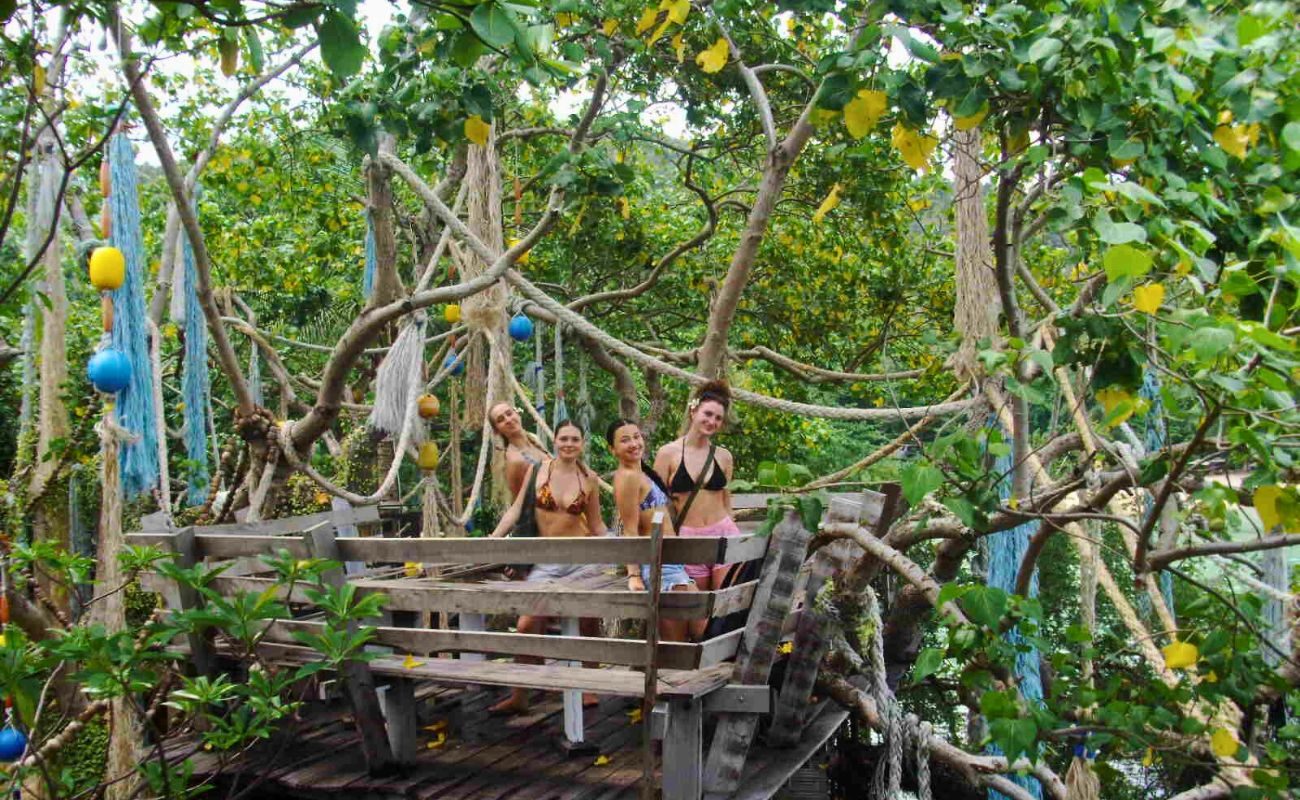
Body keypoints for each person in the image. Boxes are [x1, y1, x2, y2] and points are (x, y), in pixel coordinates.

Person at [488, 419, 607, 713]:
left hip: (582, 558)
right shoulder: (538, 470)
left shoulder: (589, 478)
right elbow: (516, 509)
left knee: (588, 620)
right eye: (563, 438)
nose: (569, 444)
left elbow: (596, 525)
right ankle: (520, 694)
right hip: (547, 561)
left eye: (575, 439)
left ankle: (589, 685)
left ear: (582, 444)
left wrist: (625, 550)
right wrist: (492, 540)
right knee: (527, 624)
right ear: (554, 441)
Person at [606, 418, 697, 643]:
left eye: (636, 437)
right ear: (612, 449)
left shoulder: (641, 474)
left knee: (697, 632)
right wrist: (634, 575)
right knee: (676, 644)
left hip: (674, 563)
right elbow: (629, 530)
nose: (634, 443)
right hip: (660, 567)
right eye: (625, 440)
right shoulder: (627, 477)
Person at [653, 380, 738, 606]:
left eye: (718, 418)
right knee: (695, 609)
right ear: (693, 411)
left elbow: (725, 498)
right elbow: (657, 503)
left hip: (724, 533)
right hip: (689, 537)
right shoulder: (668, 453)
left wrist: (732, 526)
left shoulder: (724, 456)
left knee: (723, 605)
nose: (712, 421)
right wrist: (669, 539)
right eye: (707, 414)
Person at [488, 402, 550, 498]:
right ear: (497, 431)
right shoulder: (514, 460)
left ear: (517, 414)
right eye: (501, 420)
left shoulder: (534, 439)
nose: (508, 420)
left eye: (509, 413)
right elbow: (521, 501)